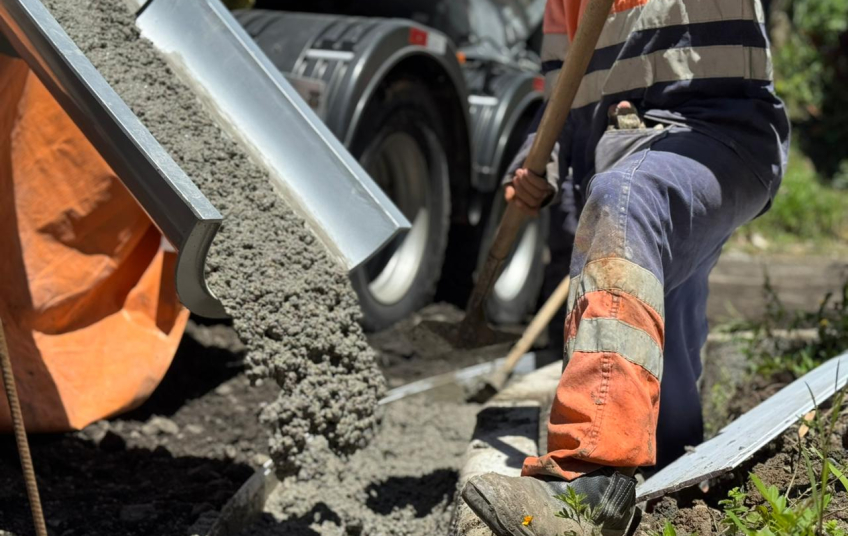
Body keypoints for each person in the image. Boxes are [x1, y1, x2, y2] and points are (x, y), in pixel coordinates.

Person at [462, 0, 790, 534]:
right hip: (613, 151)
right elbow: (565, 95)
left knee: (627, 201)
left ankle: (594, 476)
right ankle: (679, 483)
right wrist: (536, 154)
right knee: (649, 332)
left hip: (717, 136)